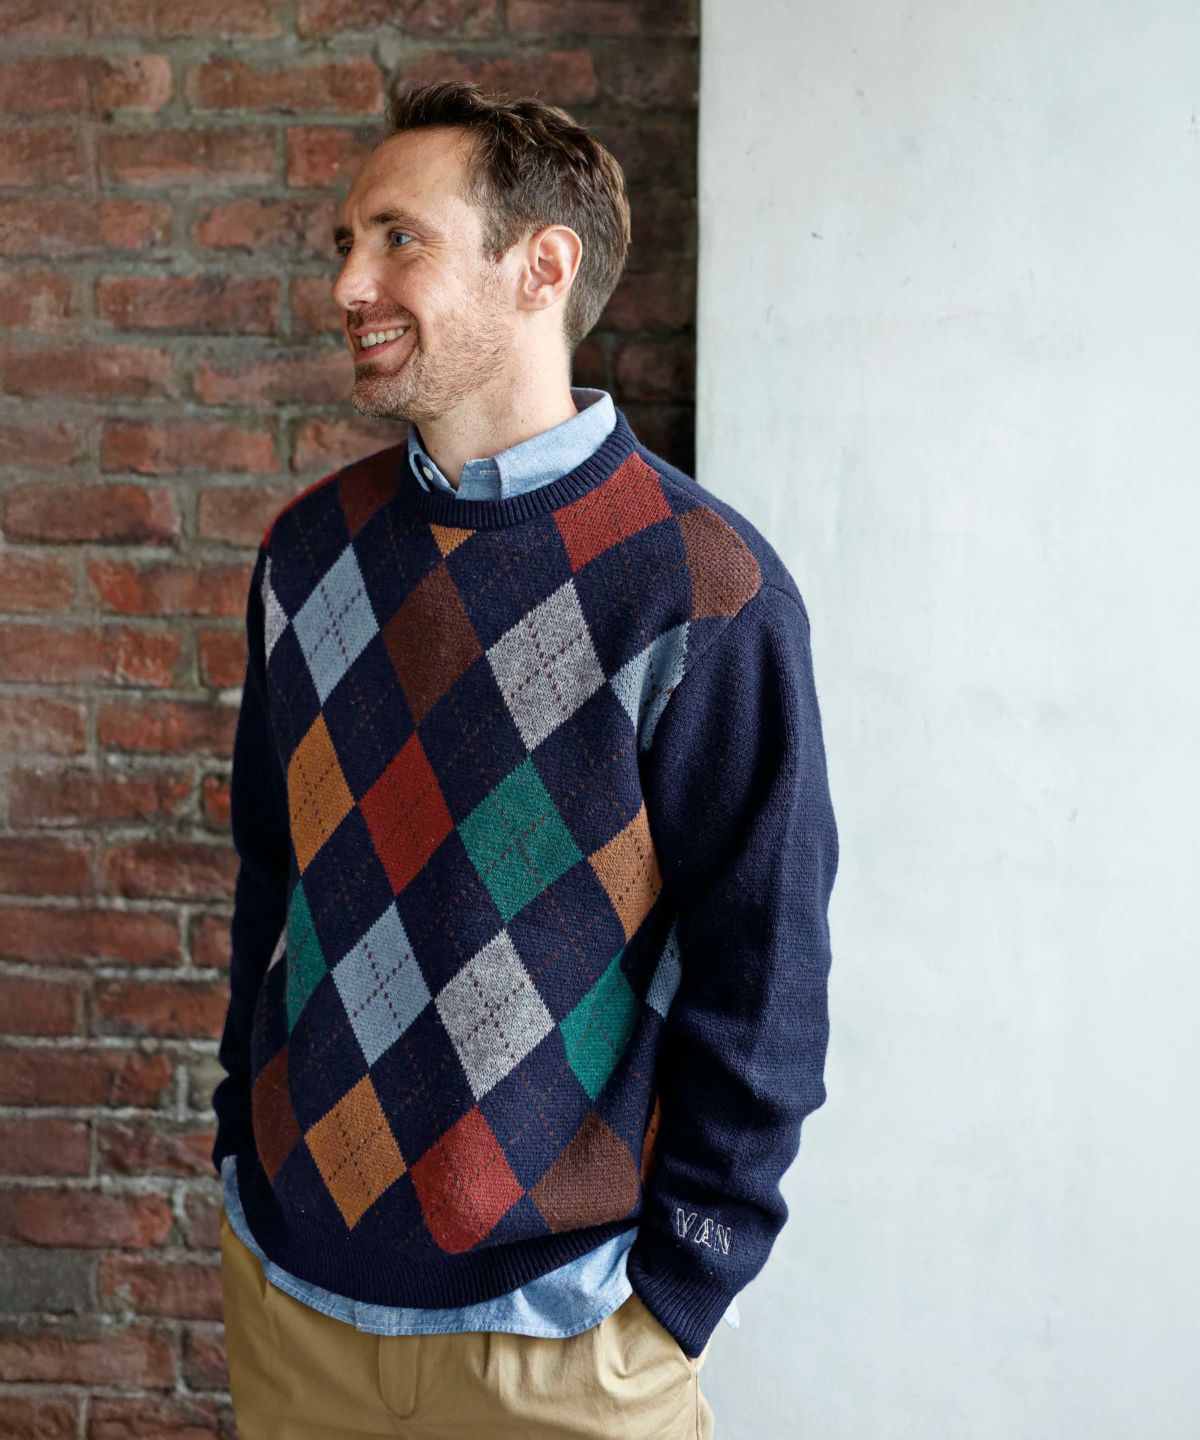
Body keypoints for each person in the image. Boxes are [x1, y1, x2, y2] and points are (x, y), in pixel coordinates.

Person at [212, 79, 839, 1440]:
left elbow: (765, 974)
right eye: (345, 244)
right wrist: (235, 1151)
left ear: (541, 267)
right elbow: (274, 882)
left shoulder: (700, 588)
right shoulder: (307, 553)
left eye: (399, 238)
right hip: (295, 1306)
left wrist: (682, 1291)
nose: (349, 284)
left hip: (567, 1342)